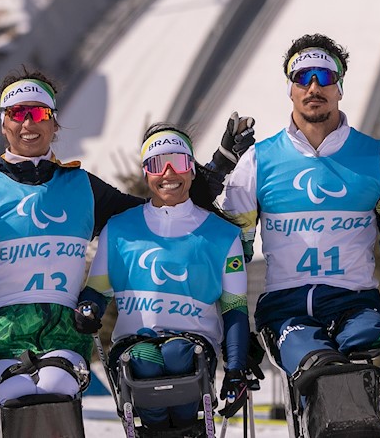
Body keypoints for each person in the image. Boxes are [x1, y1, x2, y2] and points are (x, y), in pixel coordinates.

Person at [0, 68, 255, 411]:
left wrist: (215, 169)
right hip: (1, 332)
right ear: (3, 123)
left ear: (54, 122)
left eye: (38, 113)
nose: (28, 124)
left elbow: (159, 210)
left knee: (56, 389)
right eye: (17, 113)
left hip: (63, 332)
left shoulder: (82, 187)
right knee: (16, 394)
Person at [220, 33, 380, 398]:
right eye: (302, 77)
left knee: (363, 348)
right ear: (290, 89)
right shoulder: (258, 161)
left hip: (355, 305)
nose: (314, 86)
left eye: (324, 75)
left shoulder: (379, 157)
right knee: (318, 365)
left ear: (340, 87)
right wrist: (237, 344)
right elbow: (229, 258)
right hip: (286, 310)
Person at [73, 124, 251, 433]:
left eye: (179, 162)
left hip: (193, 345)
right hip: (134, 344)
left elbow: (234, 309)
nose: (169, 173)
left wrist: (236, 370)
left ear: (193, 170)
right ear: (146, 173)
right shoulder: (119, 229)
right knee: (144, 360)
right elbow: (97, 292)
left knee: (177, 353)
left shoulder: (222, 234)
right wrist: (87, 309)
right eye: (157, 164)